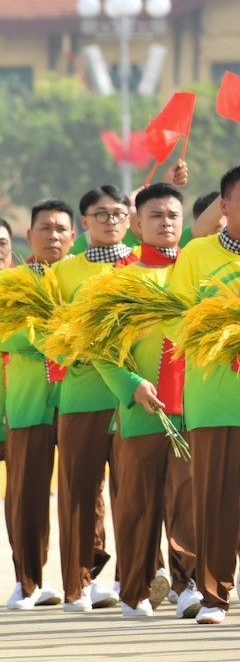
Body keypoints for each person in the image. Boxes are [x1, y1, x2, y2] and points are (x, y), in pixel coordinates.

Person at [168, 165, 240, 624]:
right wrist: (227, 331)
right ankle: (214, 596)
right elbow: (176, 321)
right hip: (215, 396)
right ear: (224, 206)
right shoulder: (196, 254)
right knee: (214, 501)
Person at [91, 181, 200, 620]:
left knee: (188, 501)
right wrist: (131, 384)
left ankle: (189, 583)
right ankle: (134, 589)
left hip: (192, 406)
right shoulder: (121, 278)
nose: (166, 222)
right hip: (141, 408)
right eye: (155, 215)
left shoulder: (195, 274)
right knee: (137, 503)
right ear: (137, 223)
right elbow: (98, 347)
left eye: (173, 215)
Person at [49, 185, 138, 611]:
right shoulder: (63, 272)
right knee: (78, 493)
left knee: (133, 494)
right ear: (83, 222)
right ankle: (76, 585)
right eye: (100, 214)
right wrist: (81, 345)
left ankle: (133, 580)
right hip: (82, 395)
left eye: (118, 213)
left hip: (133, 396)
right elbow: (52, 336)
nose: (110, 221)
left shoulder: (140, 265)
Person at [2, 200, 76, 608]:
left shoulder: (85, 279)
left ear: (73, 235)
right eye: (44, 228)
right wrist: (58, 340)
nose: (52, 235)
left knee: (83, 490)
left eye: (60, 229)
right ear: (27, 237)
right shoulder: (12, 283)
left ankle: (84, 578)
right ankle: (27, 581)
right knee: (27, 492)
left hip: (79, 399)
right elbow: (7, 336)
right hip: (30, 401)